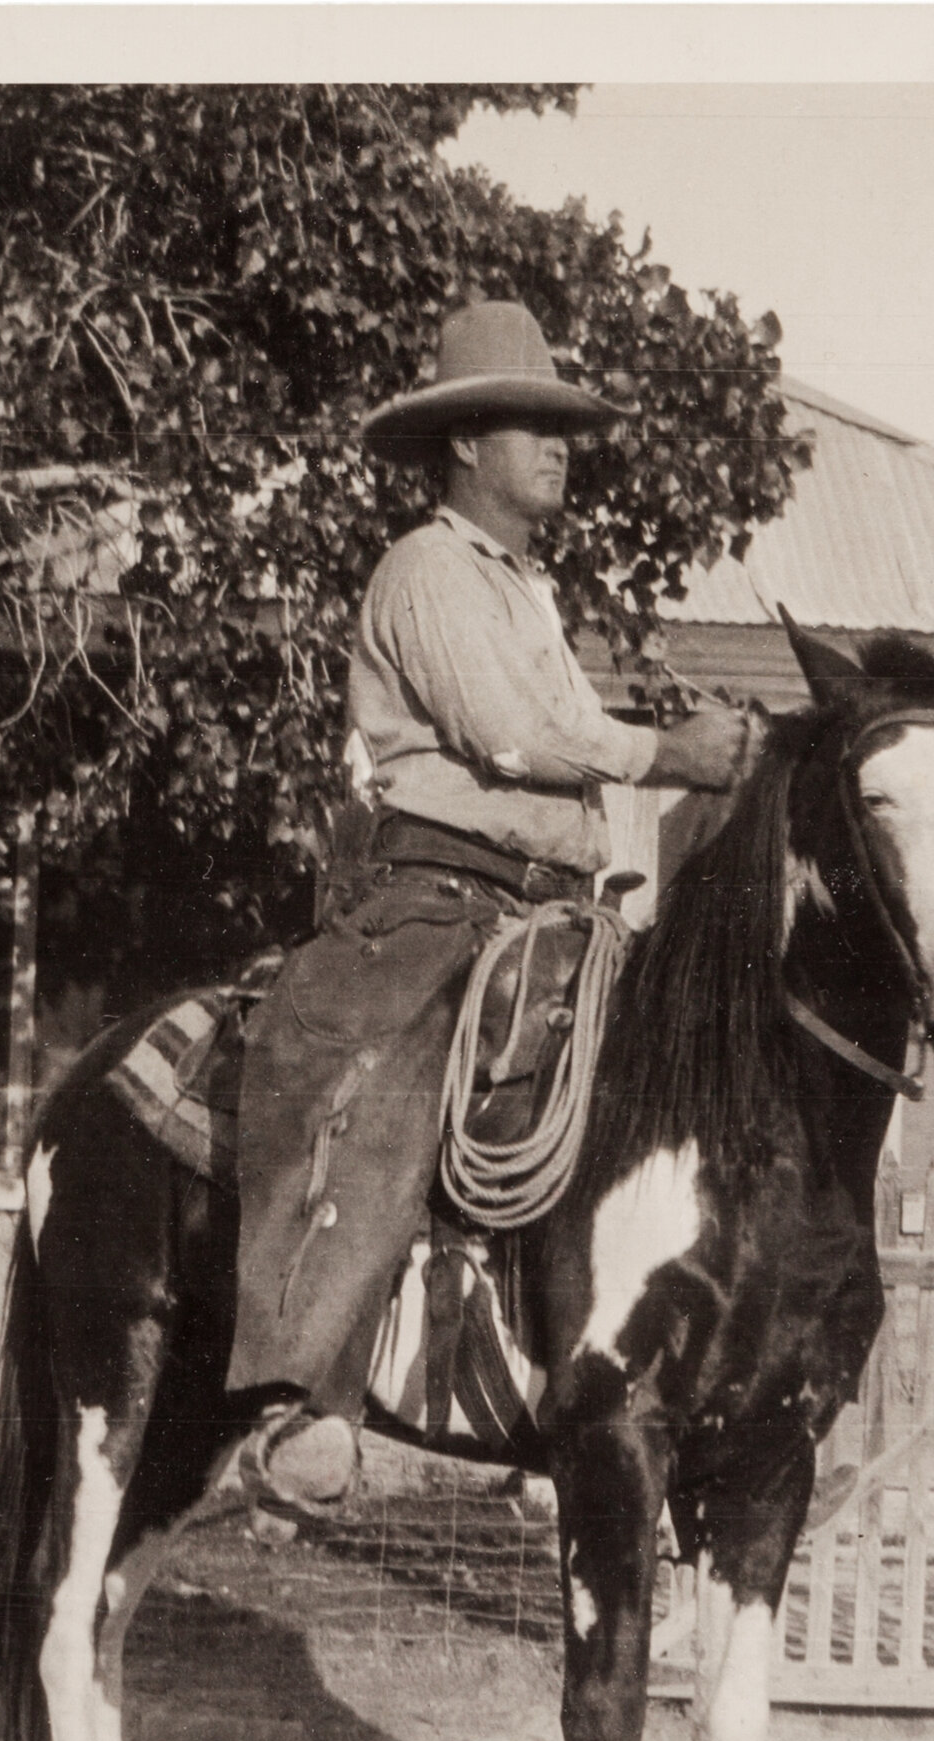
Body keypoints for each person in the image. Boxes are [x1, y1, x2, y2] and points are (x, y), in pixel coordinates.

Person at [226, 301, 755, 1515]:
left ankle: (585, 1375)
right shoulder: (423, 570)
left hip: (549, 903)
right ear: (465, 444)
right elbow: (512, 740)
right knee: (391, 1077)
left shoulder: (529, 590)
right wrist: (667, 752)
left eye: (566, 427)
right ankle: (308, 1396)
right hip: (434, 896)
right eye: (534, 424)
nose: (561, 447)